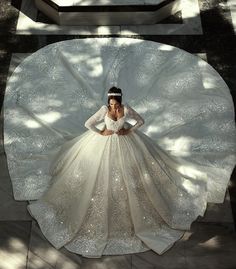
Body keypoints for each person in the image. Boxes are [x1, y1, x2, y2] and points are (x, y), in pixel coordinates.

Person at [27, 86, 212, 258]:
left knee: (133, 173)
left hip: (126, 144)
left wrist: (128, 130)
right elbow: (88, 124)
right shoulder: (103, 110)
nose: (113, 106)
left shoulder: (127, 109)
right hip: (104, 145)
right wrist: (101, 132)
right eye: (111, 104)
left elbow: (141, 121)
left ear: (120, 101)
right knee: (98, 176)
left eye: (115, 104)